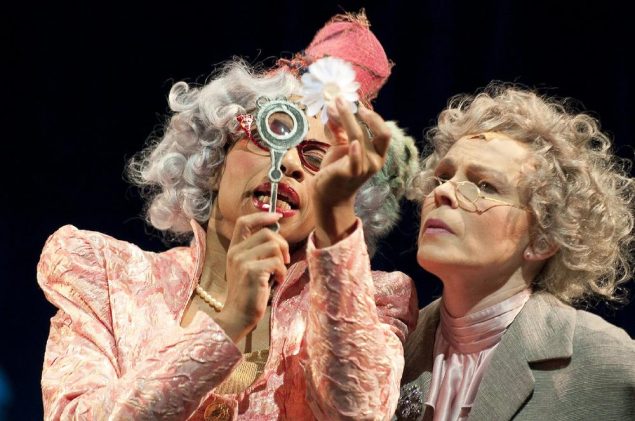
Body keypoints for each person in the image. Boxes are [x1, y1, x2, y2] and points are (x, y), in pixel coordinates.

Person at [37, 12, 420, 420]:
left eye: (315, 159)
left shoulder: (374, 301)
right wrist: (228, 321)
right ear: (214, 158)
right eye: (271, 133)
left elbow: (358, 412)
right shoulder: (107, 276)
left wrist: (337, 223)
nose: (290, 163)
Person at [396, 83, 635, 420]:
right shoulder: (391, 346)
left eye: (485, 185)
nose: (443, 192)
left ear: (543, 238)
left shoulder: (608, 365)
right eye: (443, 177)